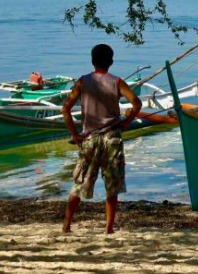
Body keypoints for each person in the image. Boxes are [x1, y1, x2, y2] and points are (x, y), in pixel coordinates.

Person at [61, 44, 142, 234]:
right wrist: (126, 122)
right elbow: (136, 103)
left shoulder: (83, 82)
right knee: (112, 186)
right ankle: (108, 228)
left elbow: (65, 108)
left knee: (79, 184)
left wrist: (75, 134)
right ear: (111, 62)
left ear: (92, 61)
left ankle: (66, 225)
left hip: (89, 139)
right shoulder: (117, 82)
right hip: (112, 138)